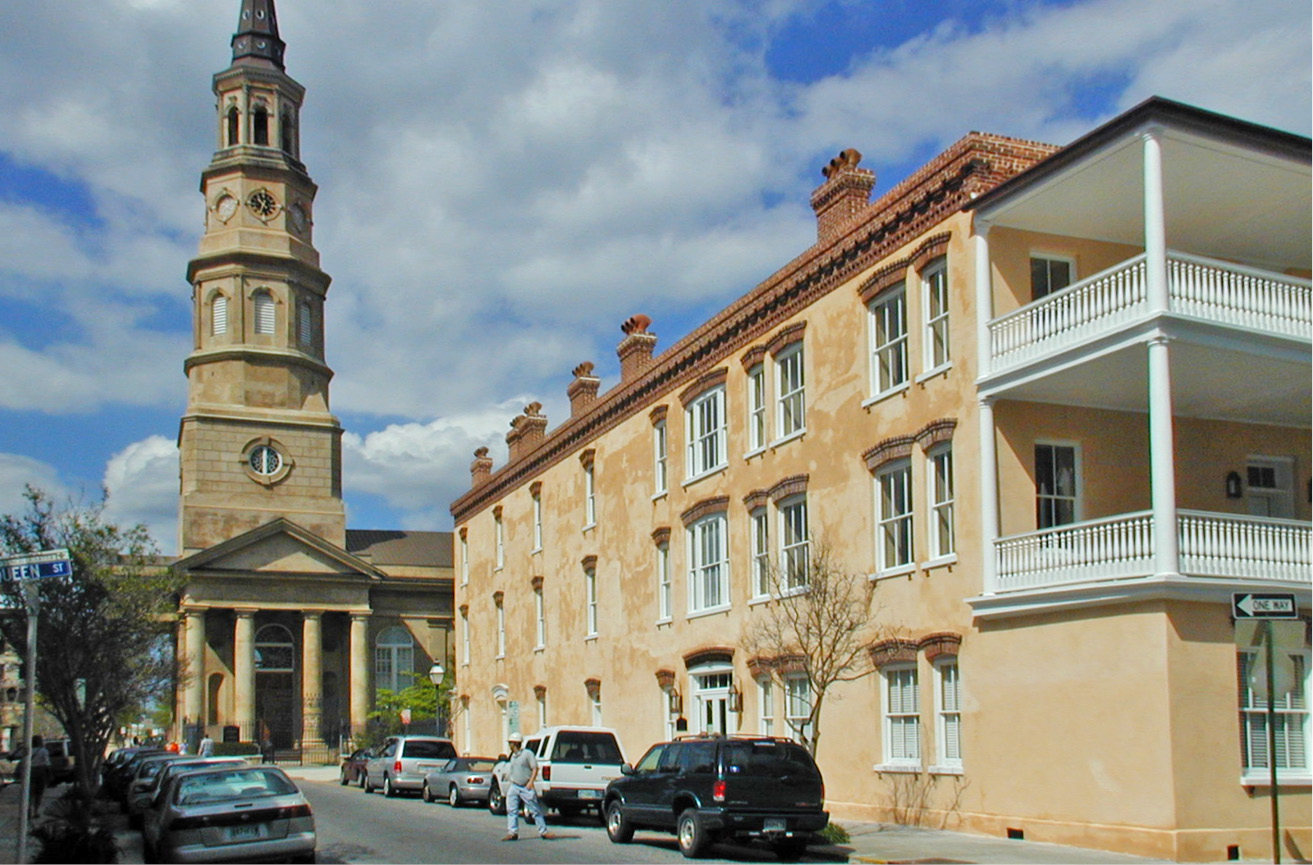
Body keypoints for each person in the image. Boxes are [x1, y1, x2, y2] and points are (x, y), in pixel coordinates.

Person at [500, 733, 552, 841]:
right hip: (514, 785)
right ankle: (512, 832)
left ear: (515, 744)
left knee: (535, 809)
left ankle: (543, 831)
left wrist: (531, 782)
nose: (509, 745)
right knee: (511, 809)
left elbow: (534, 768)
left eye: (510, 743)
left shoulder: (527, 754)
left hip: (525, 786)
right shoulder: (513, 756)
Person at [21, 735, 51, 819]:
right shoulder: (43, 751)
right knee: (39, 793)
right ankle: (36, 811)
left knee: (29, 792)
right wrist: (50, 774)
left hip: (30, 771)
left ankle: (28, 810)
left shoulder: (28, 750)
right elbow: (47, 763)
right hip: (41, 771)